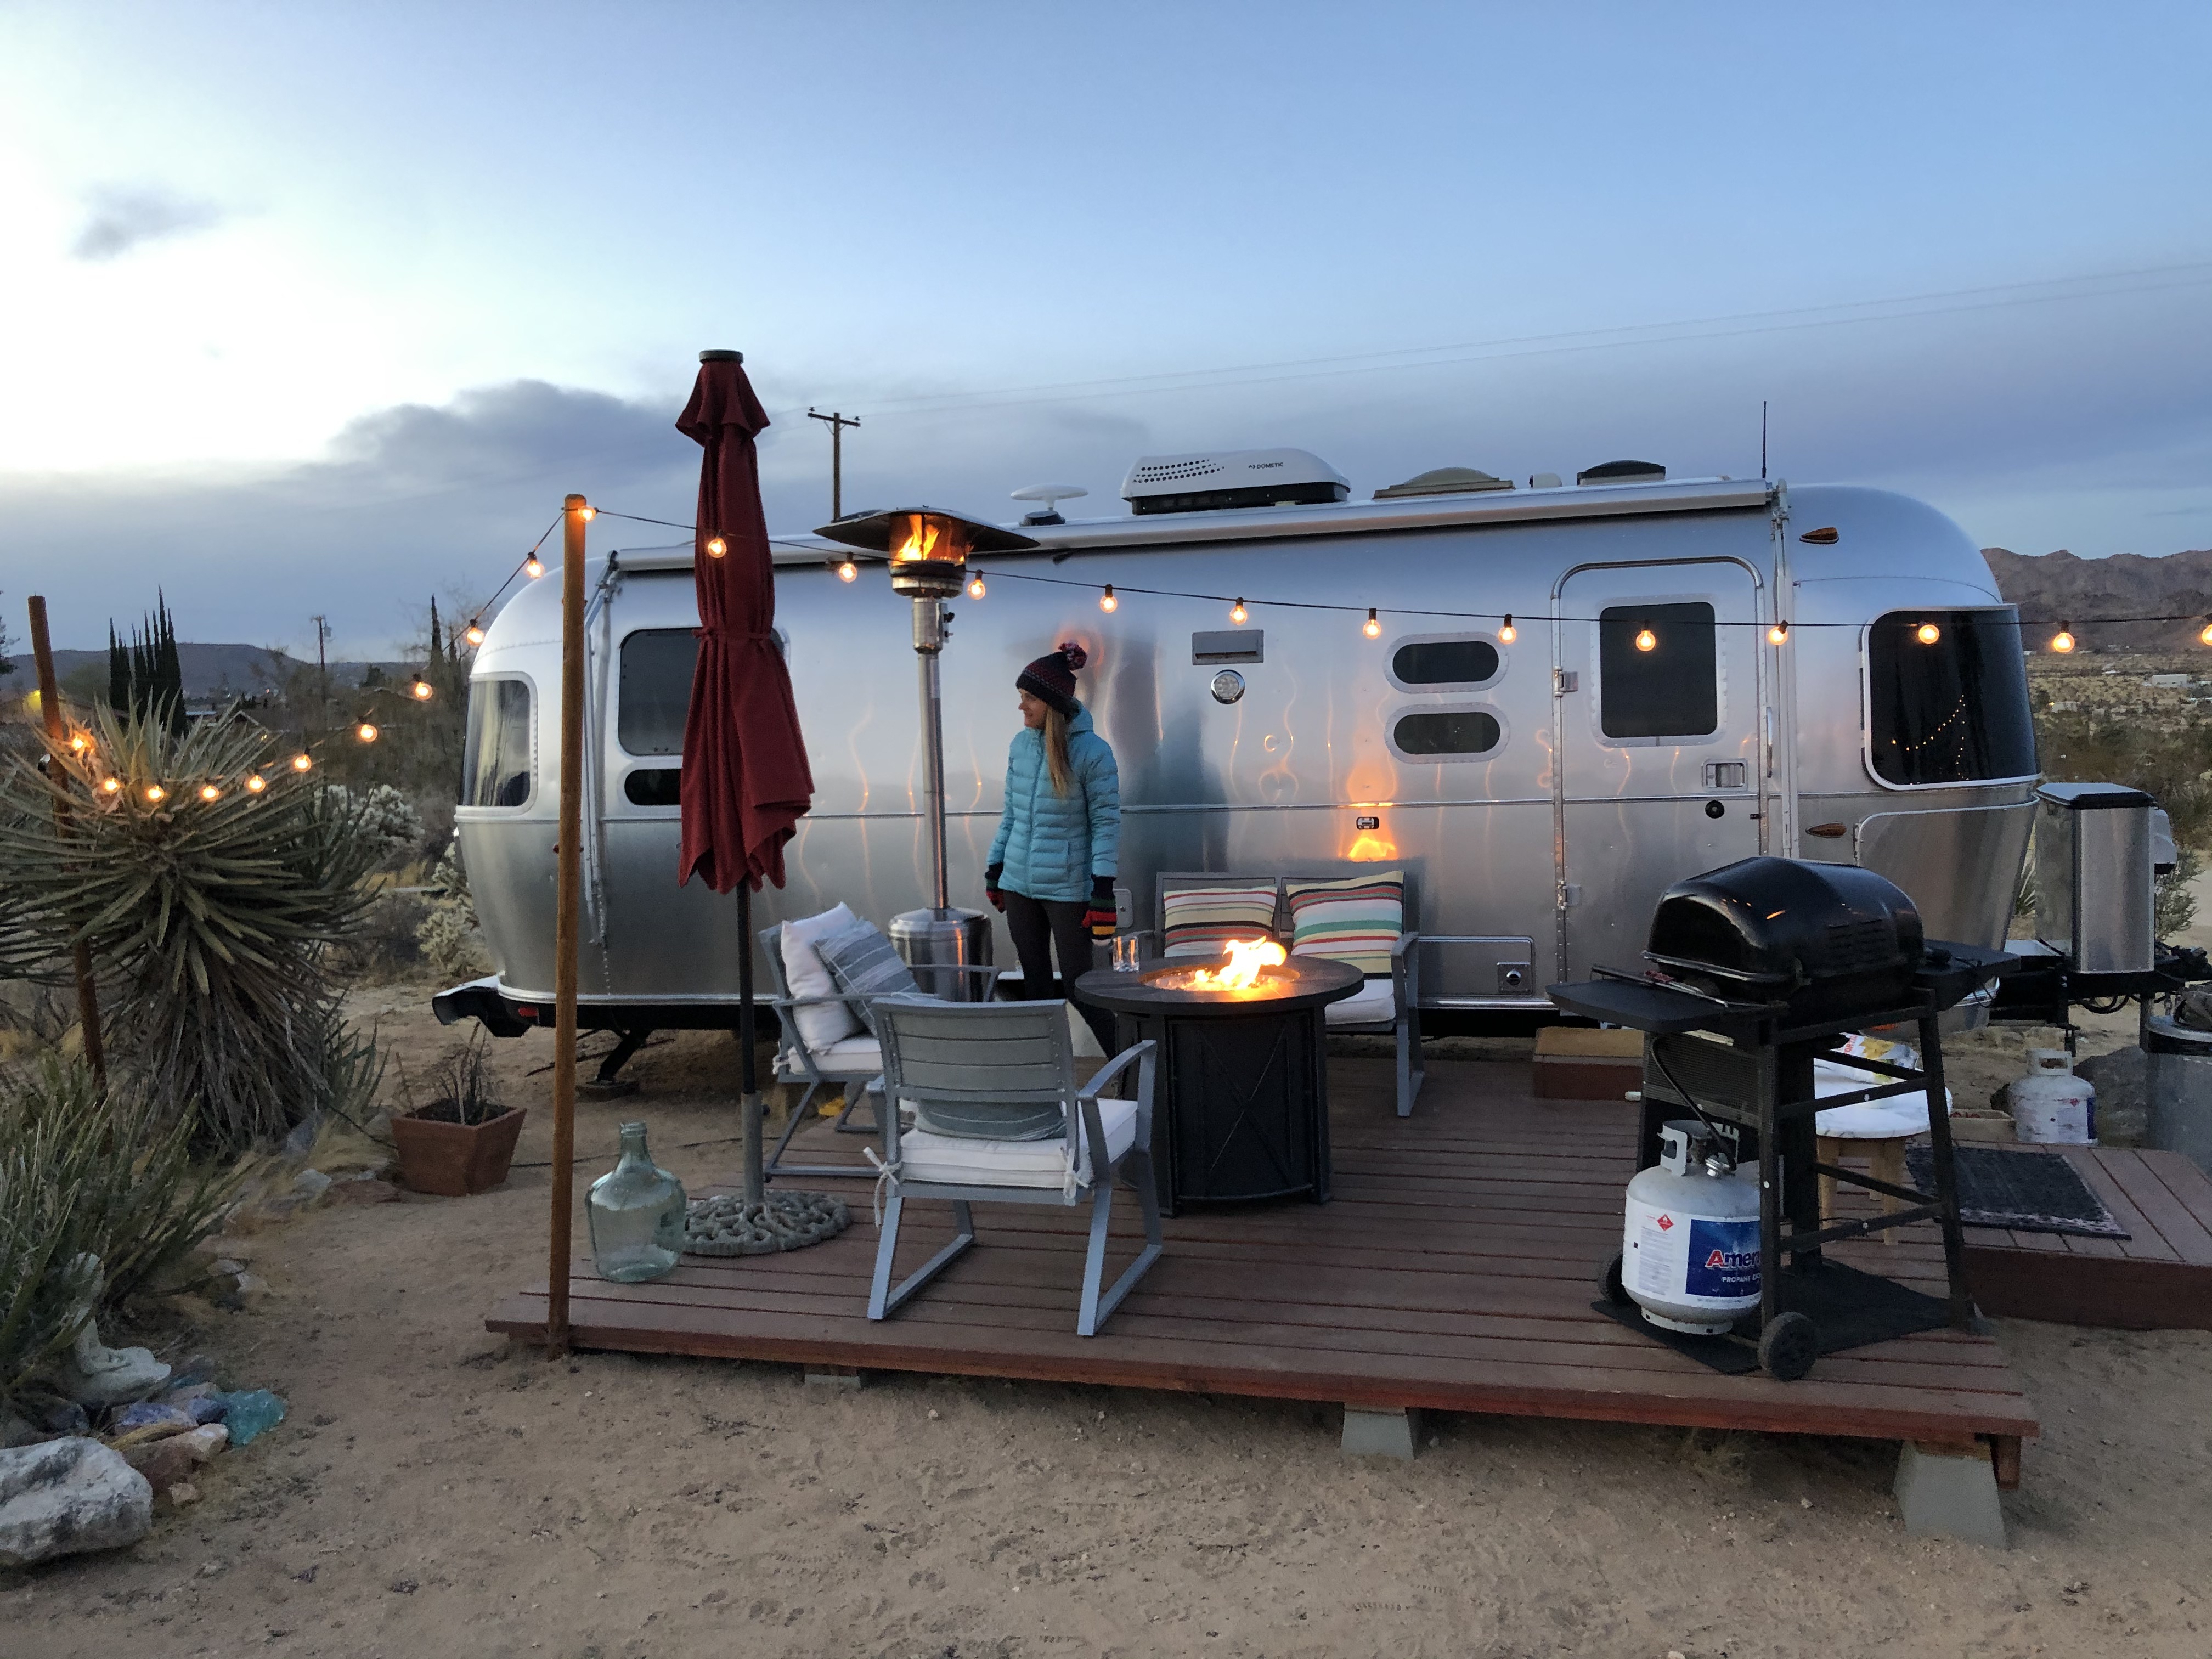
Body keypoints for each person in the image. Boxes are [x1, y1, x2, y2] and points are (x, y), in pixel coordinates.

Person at [985, 642, 1121, 1053]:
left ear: (1052, 703)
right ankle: (1049, 1082)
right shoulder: (1020, 745)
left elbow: (1106, 825)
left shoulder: (1093, 753)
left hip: (1067, 890)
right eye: (1021, 698)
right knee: (1038, 991)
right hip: (1019, 885)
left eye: (1029, 699)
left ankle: (1139, 1073)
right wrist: (996, 866)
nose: (1021, 707)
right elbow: (1011, 813)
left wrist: (1103, 889)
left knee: (1082, 989)